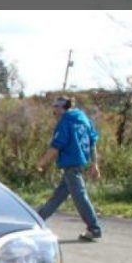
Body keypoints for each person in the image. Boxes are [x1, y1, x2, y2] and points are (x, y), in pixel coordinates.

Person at [36, 96, 102, 241]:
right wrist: (94, 164)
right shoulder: (84, 119)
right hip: (79, 163)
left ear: (63, 108)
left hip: (71, 163)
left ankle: (94, 228)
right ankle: (37, 220)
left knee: (79, 196)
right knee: (58, 196)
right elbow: (92, 142)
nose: (53, 110)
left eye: (56, 106)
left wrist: (42, 163)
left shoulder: (65, 122)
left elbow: (56, 146)